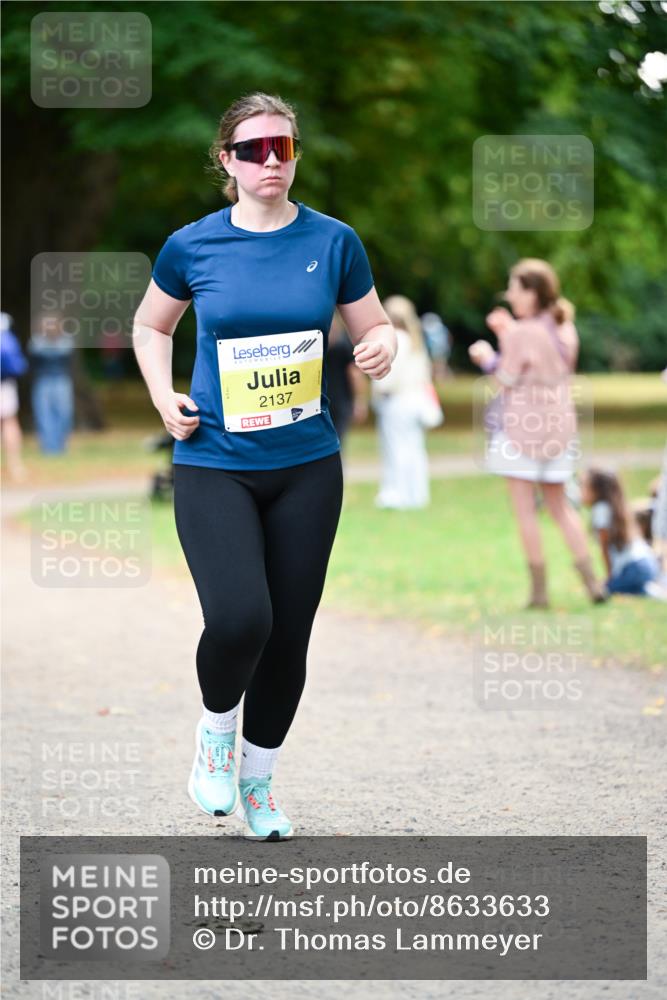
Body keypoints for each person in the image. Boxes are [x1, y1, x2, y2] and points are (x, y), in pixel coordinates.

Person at [132, 92, 396, 841]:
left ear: (295, 152)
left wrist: (383, 347)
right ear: (227, 161)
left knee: (288, 636)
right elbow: (151, 325)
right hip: (214, 460)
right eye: (253, 149)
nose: (270, 160)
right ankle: (216, 731)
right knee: (242, 616)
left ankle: (258, 785)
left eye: (282, 146)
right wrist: (161, 396)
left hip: (307, 464)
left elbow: (371, 326)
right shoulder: (193, 246)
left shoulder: (334, 241)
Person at [469, 258, 608, 607]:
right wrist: (508, 333)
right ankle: (592, 582)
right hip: (559, 427)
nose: (510, 295)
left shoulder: (524, 331)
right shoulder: (564, 327)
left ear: (532, 292)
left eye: (515, 288)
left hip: (521, 429)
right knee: (561, 507)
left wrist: (487, 354)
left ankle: (539, 592)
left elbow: (505, 378)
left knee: (525, 510)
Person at [371, 295, 434, 509]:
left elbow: (387, 379)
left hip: (398, 401)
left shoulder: (397, 340)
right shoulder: (416, 340)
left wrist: (377, 388)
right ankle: (417, 494)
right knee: (414, 448)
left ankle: (398, 494)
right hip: (416, 399)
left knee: (396, 448)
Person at [581, 468, 661, 597]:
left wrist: (609, 577)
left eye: (583, 486)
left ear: (597, 490)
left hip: (635, 569)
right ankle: (647, 588)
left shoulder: (600, 510)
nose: (580, 491)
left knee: (604, 588)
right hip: (648, 564)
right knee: (617, 587)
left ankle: (647, 589)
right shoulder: (617, 507)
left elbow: (605, 548)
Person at [28, 312, 75, 454]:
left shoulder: (66, 340)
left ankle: (61, 445)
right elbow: (35, 352)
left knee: (64, 414)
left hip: (61, 381)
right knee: (44, 414)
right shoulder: (36, 341)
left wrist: (49, 347)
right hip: (43, 381)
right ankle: (49, 448)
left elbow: (64, 352)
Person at [326, 310, 368, 448]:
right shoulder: (344, 341)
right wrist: (360, 401)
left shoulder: (315, 342)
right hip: (341, 400)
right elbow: (355, 373)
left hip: (323, 400)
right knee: (337, 442)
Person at [0, 312, 28, 482]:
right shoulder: (5, 332)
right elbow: (18, 365)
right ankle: (15, 465)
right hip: (4, 384)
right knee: (9, 422)